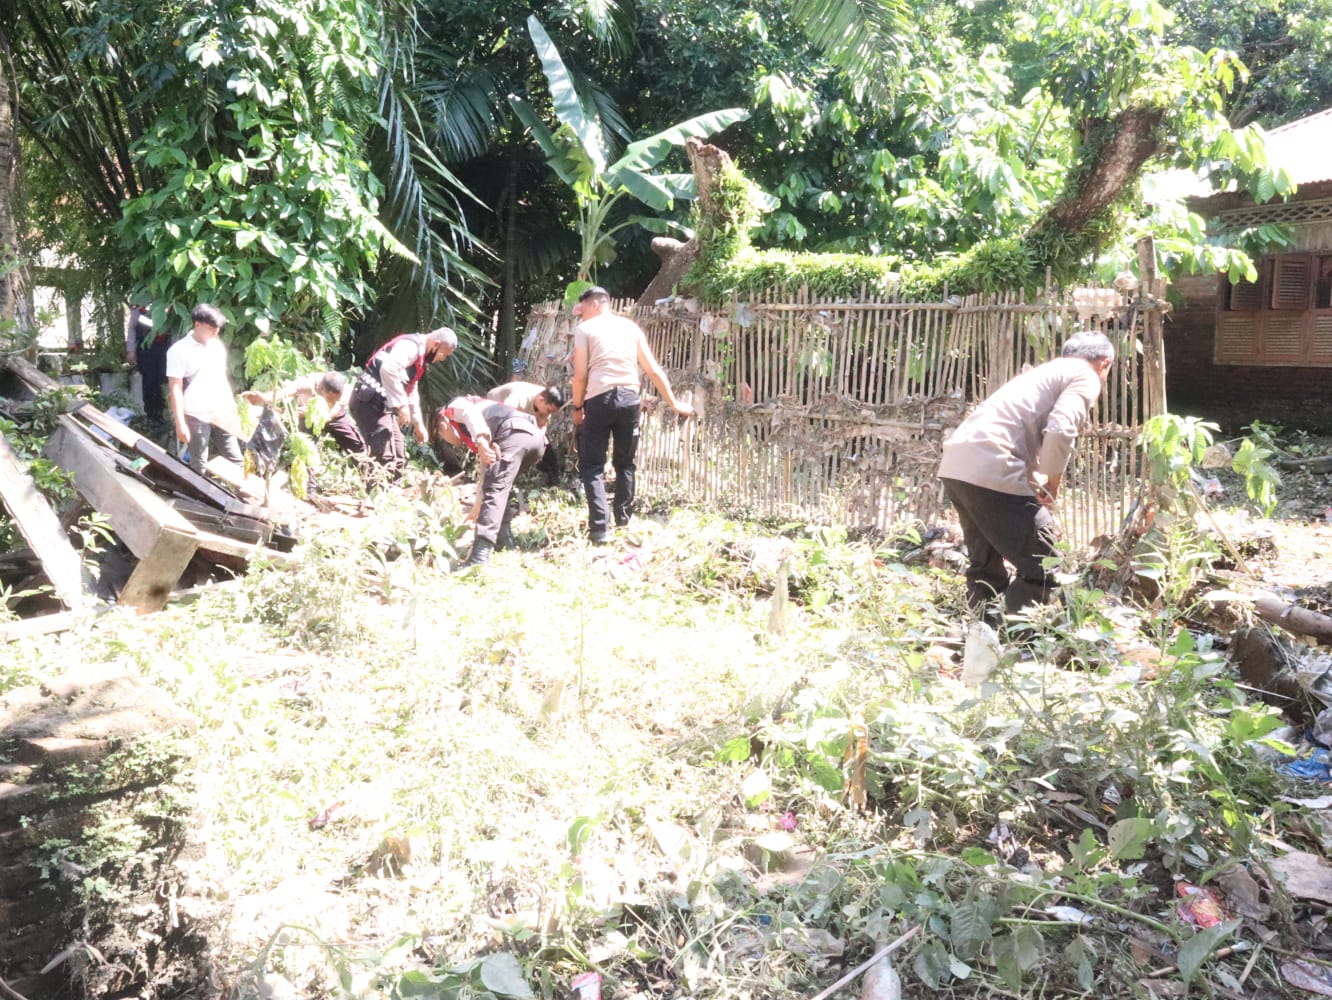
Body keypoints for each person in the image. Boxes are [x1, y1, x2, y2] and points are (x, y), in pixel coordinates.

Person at [937, 330, 1115, 617]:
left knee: (985, 562)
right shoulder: (1085, 375)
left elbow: (1019, 436)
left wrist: (1035, 497)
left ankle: (982, 632)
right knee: (1046, 563)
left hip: (958, 464)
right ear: (1104, 363)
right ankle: (1023, 642)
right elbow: (1059, 430)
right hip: (991, 463)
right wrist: (1052, 482)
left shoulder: (1045, 373)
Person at [570, 287, 693, 543]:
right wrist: (675, 404)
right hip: (629, 399)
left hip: (599, 398)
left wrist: (577, 408)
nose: (580, 315)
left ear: (594, 305)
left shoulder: (585, 330)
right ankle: (624, 522)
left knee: (592, 466)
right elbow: (653, 370)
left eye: (581, 309)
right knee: (625, 463)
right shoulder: (630, 328)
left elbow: (580, 375)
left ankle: (600, 530)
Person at [437, 396, 546, 568]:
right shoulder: (483, 427)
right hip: (534, 439)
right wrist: (478, 505)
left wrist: (480, 439)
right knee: (499, 488)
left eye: (444, 437)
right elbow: (486, 473)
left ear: (443, 426)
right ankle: (505, 541)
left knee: (496, 490)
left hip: (514, 433)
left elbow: (469, 412)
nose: (450, 443)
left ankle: (480, 556)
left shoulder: (452, 408)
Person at [350, 327, 457, 474]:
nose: (441, 359)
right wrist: (401, 406)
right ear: (436, 344)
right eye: (443, 355)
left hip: (381, 405)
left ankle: (392, 491)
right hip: (368, 400)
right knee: (385, 455)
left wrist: (418, 424)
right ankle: (378, 492)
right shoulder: (410, 346)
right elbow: (388, 369)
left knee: (398, 454)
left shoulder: (419, 359)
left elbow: (411, 389)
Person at [166, 303, 243, 473]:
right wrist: (180, 423)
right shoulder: (178, 351)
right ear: (197, 324)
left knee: (236, 461)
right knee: (198, 464)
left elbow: (222, 378)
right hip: (195, 415)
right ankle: (198, 497)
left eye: (217, 329)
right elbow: (175, 389)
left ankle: (245, 497)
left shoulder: (216, 347)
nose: (215, 333)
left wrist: (231, 407)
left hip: (220, 413)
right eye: (211, 328)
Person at [242, 371, 365, 455]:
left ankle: (368, 472)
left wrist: (313, 414)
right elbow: (286, 392)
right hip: (307, 418)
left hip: (332, 417)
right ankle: (309, 489)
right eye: (333, 398)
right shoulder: (309, 383)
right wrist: (264, 398)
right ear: (322, 390)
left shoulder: (345, 391)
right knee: (307, 451)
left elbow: (333, 411)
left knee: (357, 446)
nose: (336, 400)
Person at [487, 381, 565, 485]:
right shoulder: (519, 397)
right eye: (548, 410)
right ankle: (495, 478)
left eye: (551, 412)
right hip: (495, 408)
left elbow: (542, 427)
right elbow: (502, 420)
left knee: (544, 447)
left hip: (518, 415)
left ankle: (553, 481)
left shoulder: (546, 402)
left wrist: (539, 449)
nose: (548, 414)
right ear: (541, 400)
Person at [126, 303, 168, 426]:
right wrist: (131, 350)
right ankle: (150, 415)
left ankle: (161, 414)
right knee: (149, 381)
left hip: (163, 349)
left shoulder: (168, 304)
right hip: (145, 349)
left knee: (162, 381)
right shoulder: (140, 307)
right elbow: (132, 329)